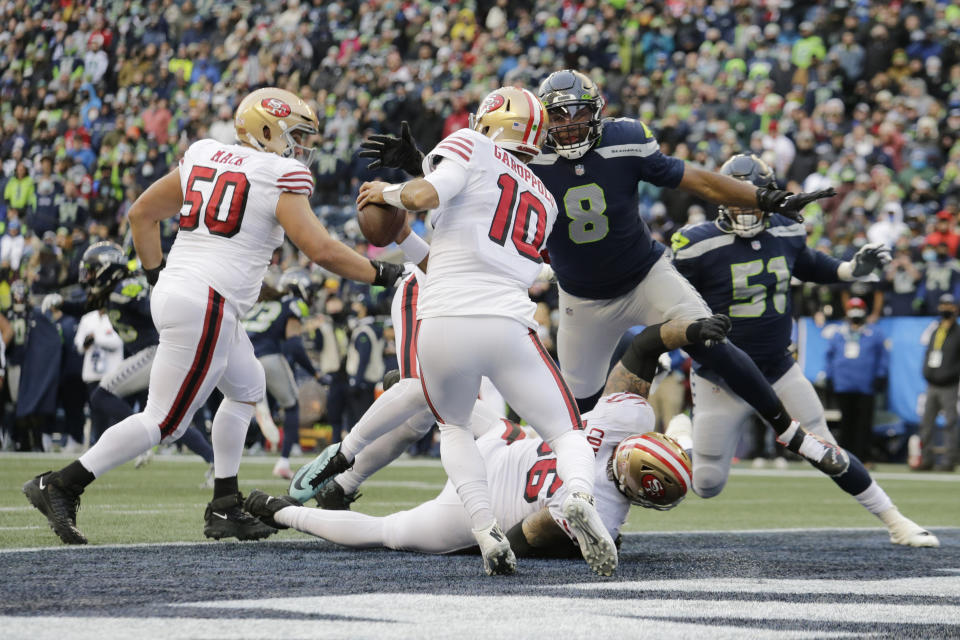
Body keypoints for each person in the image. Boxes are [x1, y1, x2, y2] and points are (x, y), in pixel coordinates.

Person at [359, 70, 849, 486]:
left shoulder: (624, 139)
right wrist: (420, 161)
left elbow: (695, 178)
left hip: (645, 274)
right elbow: (472, 179)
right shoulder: (525, 159)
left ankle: (794, 435)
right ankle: (574, 492)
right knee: (573, 414)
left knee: (707, 335)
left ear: (597, 111)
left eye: (578, 112)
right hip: (581, 297)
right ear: (540, 121)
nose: (570, 124)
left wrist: (760, 198)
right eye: (559, 114)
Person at [22, 87, 404, 545]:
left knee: (246, 390)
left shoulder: (206, 154)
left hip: (189, 293)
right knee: (165, 421)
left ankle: (224, 504)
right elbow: (320, 249)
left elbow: (141, 215)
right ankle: (62, 483)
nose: (302, 147)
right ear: (266, 129)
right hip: (207, 301)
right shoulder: (277, 173)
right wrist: (387, 274)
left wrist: (157, 279)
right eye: (295, 135)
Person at [352, 86, 618, 577]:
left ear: (488, 120)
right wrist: (424, 166)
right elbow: (482, 207)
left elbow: (424, 196)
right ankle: (578, 497)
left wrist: (384, 192)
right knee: (566, 432)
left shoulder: (467, 145)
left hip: (443, 320)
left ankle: (484, 529)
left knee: (453, 428)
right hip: (505, 321)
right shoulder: (544, 196)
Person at [245, 319, 707, 560]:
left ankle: (422, 393)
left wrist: (690, 331)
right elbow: (520, 541)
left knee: (476, 417)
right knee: (388, 532)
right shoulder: (605, 509)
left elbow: (645, 344)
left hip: (504, 444)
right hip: (477, 505)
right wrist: (567, 548)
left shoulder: (628, 417)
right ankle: (279, 510)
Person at [670, 153, 938, 547]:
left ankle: (895, 520)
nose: (745, 208)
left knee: (824, 448)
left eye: (753, 197)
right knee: (707, 483)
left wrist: (850, 271)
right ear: (720, 197)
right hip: (722, 376)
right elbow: (668, 296)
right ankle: (682, 435)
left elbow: (808, 263)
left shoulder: (786, 230)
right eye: (737, 197)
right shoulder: (695, 244)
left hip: (778, 369)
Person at [241, 267, 322, 479]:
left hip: (240, 355)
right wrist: (314, 373)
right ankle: (284, 462)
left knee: (236, 406)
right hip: (267, 356)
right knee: (292, 405)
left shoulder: (264, 302)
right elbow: (295, 345)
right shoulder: (293, 304)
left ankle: (258, 403)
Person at [824, 297, 890, 465]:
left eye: (858, 309)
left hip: (865, 384)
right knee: (846, 422)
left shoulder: (874, 333)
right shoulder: (839, 333)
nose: (855, 313)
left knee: (864, 424)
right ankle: (845, 458)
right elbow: (830, 356)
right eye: (852, 308)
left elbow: (883, 356)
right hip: (844, 384)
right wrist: (830, 376)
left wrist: (881, 375)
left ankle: (864, 457)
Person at [917, 294, 960, 471]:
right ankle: (926, 459)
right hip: (932, 384)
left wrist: (952, 374)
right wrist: (927, 372)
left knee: (950, 423)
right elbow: (929, 353)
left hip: (949, 385)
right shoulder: (936, 329)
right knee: (926, 423)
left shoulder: (958, 332)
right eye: (943, 305)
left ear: (955, 308)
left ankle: (949, 460)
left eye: (949, 305)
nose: (945, 308)